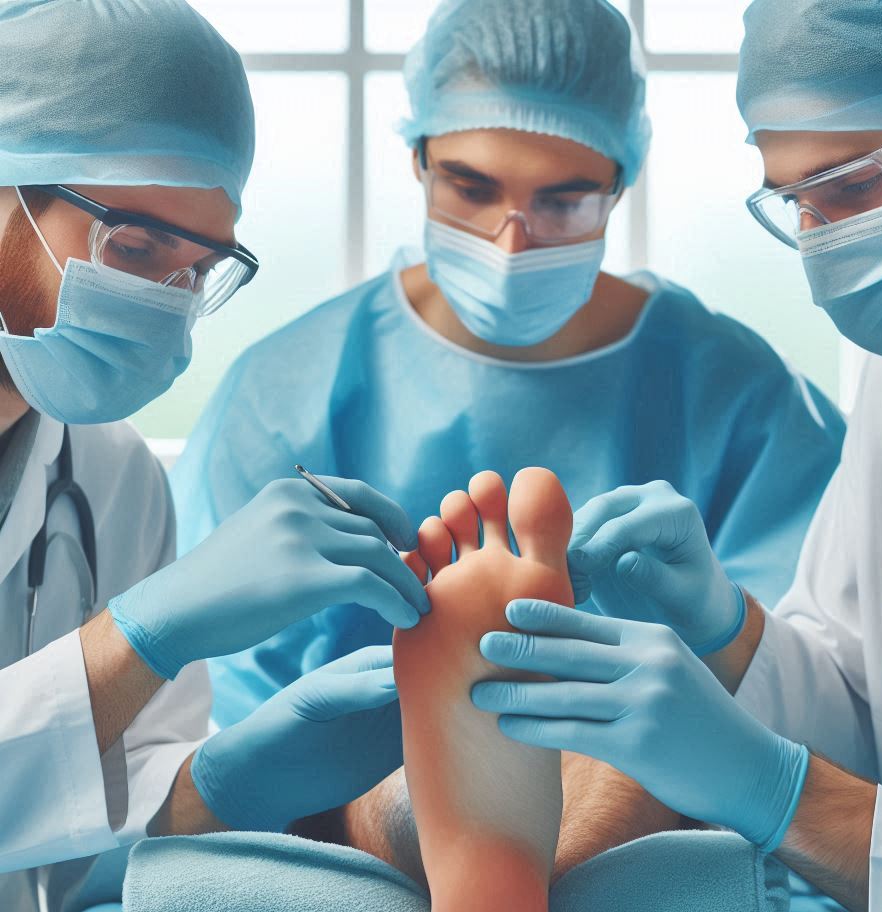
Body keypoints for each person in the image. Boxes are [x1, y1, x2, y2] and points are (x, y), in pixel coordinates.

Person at [471, 2, 882, 912]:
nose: (823, 244)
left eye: (851, 187)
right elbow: (866, 711)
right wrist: (728, 632)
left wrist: (772, 789)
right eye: (796, 204)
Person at [172, 0, 845, 735]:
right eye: (472, 188)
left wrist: (717, 636)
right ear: (418, 158)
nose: (511, 245)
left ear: (619, 184)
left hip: (665, 827)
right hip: (339, 827)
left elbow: (819, 698)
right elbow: (228, 713)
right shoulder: (285, 395)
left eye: (563, 202)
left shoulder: (737, 398)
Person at [0, 0, 432, 912]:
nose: (165, 304)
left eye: (198, 269)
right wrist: (141, 635)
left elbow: (102, 837)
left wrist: (242, 774)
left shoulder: (108, 475)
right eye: (136, 248)